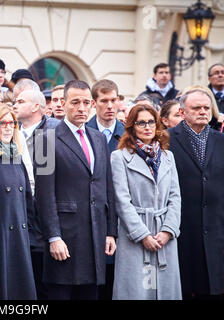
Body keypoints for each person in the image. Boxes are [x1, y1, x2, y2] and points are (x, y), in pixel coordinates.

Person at [35, 80, 117, 300]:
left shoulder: (98, 139)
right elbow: (44, 195)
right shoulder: (45, 140)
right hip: (65, 236)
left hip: (95, 236)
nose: (81, 108)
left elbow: (107, 186)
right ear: (62, 103)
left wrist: (110, 231)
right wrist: (53, 237)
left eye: (85, 103)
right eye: (75, 102)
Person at [111, 104, 182, 300]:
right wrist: (143, 235)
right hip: (135, 236)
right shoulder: (119, 157)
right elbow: (122, 200)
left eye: (151, 121)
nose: (147, 127)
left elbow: (175, 196)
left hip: (163, 236)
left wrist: (168, 230)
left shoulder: (168, 156)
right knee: (137, 292)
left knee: (165, 291)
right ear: (132, 126)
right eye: (141, 122)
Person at [168, 89, 224, 299]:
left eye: (206, 107)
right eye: (196, 108)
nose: (203, 111)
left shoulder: (222, 141)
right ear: (182, 113)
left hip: (216, 233)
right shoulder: (166, 141)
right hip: (181, 231)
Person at [0, 103, 36, 300]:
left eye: (12, 123)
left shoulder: (16, 156)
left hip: (19, 238)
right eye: (2, 123)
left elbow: (27, 200)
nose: (8, 127)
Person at [13, 89, 60, 300]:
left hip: (47, 213)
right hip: (19, 213)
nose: (14, 105)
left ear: (36, 107)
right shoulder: (10, 133)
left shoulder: (55, 132)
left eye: (20, 101)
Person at [86, 79, 125, 300]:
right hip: (93, 214)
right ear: (94, 103)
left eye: (114, 100)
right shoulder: (84, 133)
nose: (110, 106)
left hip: (122, 215)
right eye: (104, 101)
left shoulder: (128, 134)